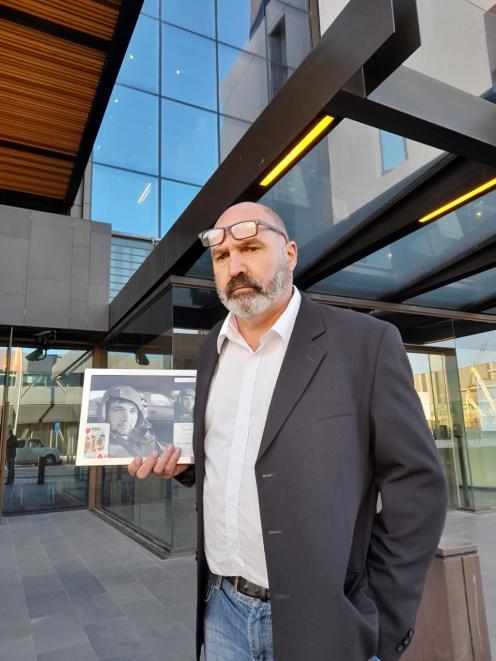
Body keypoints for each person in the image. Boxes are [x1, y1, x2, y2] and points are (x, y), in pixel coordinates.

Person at [129, 202, 447, 661]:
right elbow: (237, 456)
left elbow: (419, 488)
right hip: (221, 612)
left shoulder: (365, 344)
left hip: (325, 624)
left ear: (291, 253)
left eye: (251, 247)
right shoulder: (210, 351)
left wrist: (378, 620)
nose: (235, 267)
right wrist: (186, 467)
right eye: (222, 258)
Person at [99, 385, 158, 458]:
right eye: (118, 410)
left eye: (132, 411)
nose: (126, 418)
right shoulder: (99, 445)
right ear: (105, 413)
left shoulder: (144, 433)